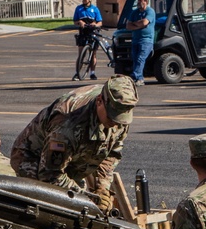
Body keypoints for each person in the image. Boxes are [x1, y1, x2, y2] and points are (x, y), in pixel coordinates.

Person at [10, 76, 137, 213]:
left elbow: (111, 153)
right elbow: (50, 175)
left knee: (81, 207)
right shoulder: (66, 125)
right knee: (48, 209)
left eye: (121, 119)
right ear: (99, 101)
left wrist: (102, 188)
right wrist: (88, 198)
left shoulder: (119, 115)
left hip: (73, 159)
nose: (116, 124)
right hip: (32, 157)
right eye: (112, 117)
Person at [73, 0, 103, 81]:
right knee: (81, 53)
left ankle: (92, 73)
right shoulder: (79, 8)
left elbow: (100, 22)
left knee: (93, 54)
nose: (84, 0)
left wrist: (96, 25)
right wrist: (80, 22)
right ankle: (78, 72)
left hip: (93, 32)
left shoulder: (95, 9)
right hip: (83, 33)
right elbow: (75, 21)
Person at [125, 0, 154, 86]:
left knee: (140, 58)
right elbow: (128, 26)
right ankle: (140, 79)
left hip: (146, 40)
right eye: (138, 0)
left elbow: (145, 22)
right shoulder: (134, 12)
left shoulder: (150, 12)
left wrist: (136, 24)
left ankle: (135, 76)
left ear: (146, 1)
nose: (138, 2)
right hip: (135, 40)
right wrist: (139, 26)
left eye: (140, 0)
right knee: (135, 58)